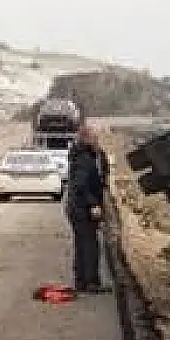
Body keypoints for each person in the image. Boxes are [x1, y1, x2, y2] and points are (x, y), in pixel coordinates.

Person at [64, 124, 109, 293]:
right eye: (95, 137)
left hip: (77, 207)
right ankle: (91, 282)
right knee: (90, 244)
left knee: (82, 243)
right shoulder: (84, 158)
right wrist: (93, 204)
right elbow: (81, 185)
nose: (98, 140)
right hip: (81, 208)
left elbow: (99, 177)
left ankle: (81, 281)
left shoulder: (86, 155)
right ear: (87, 139)